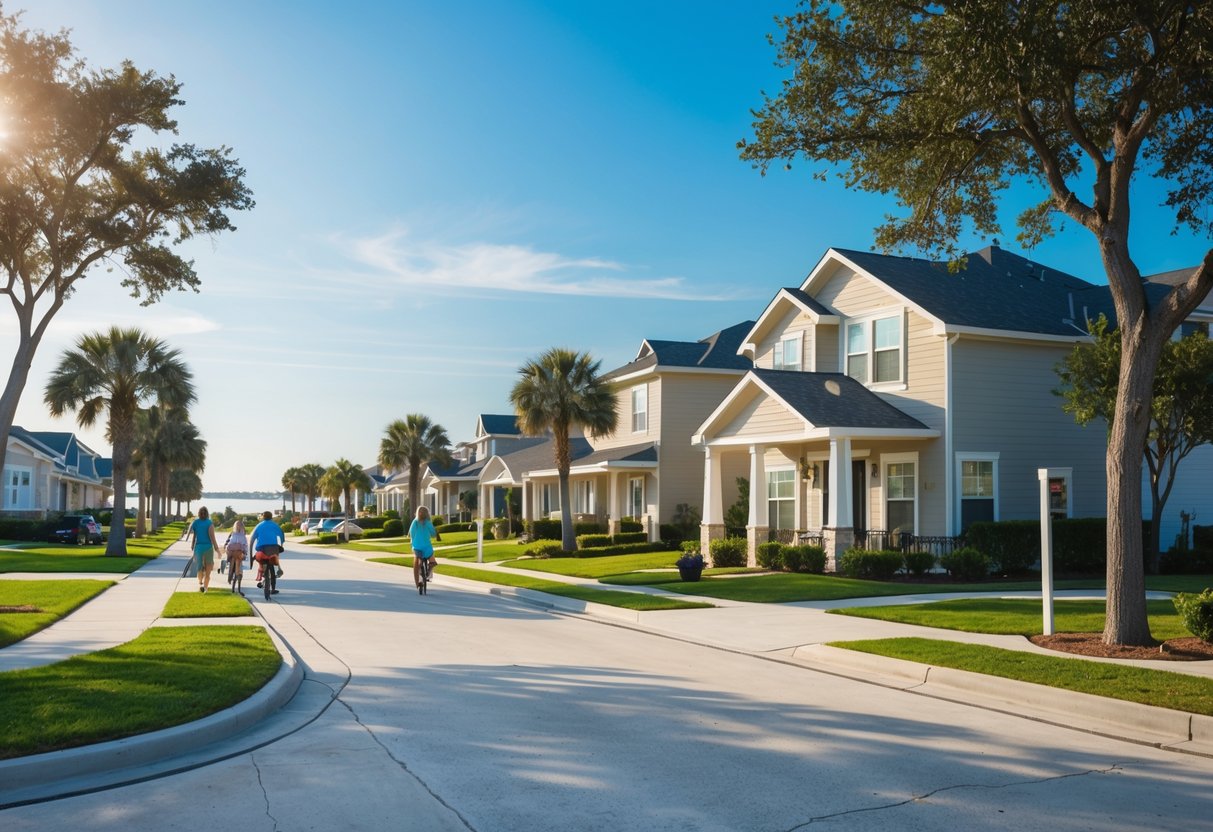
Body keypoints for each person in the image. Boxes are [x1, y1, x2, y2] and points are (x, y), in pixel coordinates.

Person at [187, 506, 221, 593]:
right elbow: (212, 538)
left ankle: (201, 583)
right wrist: (217, 550)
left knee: (200, 568)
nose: (202, 514)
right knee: (207, 570)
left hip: (200, 548)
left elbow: (195, 535)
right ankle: (204, 587)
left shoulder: (196, 522)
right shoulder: (209, 523)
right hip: (207, 548)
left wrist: (192, 544)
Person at [250, 510, 285, 593]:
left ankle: (263, 572)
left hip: (262, 549)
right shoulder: (275, 525)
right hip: (273, 548)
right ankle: (273, 588)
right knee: (273, 566)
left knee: (262, 561)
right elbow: (281, 535)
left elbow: (252, 539)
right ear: (271, 517)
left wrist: (250, 549)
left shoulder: (259, 526)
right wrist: (282, 544)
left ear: (263, 517)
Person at [409, 505, 442, 587]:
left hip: (417, 546)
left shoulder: (415, 522)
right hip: (427, 547)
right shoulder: (428, 523)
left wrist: (412, 542)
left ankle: (420, 580)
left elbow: (411, 533)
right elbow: (433, 534)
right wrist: (436, 534)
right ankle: (429, 574)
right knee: (432, 561)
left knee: (418, 562)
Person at [223, 518, 249, 593]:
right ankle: (238, 586)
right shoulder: (242, 535)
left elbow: (229, 544)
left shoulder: (233, 534)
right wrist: (245, 552)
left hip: (232, 554)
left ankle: (233, 585)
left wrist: (227, 549)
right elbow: (245, 545)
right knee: (239, 570)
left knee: (232, 568)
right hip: (239, 554)